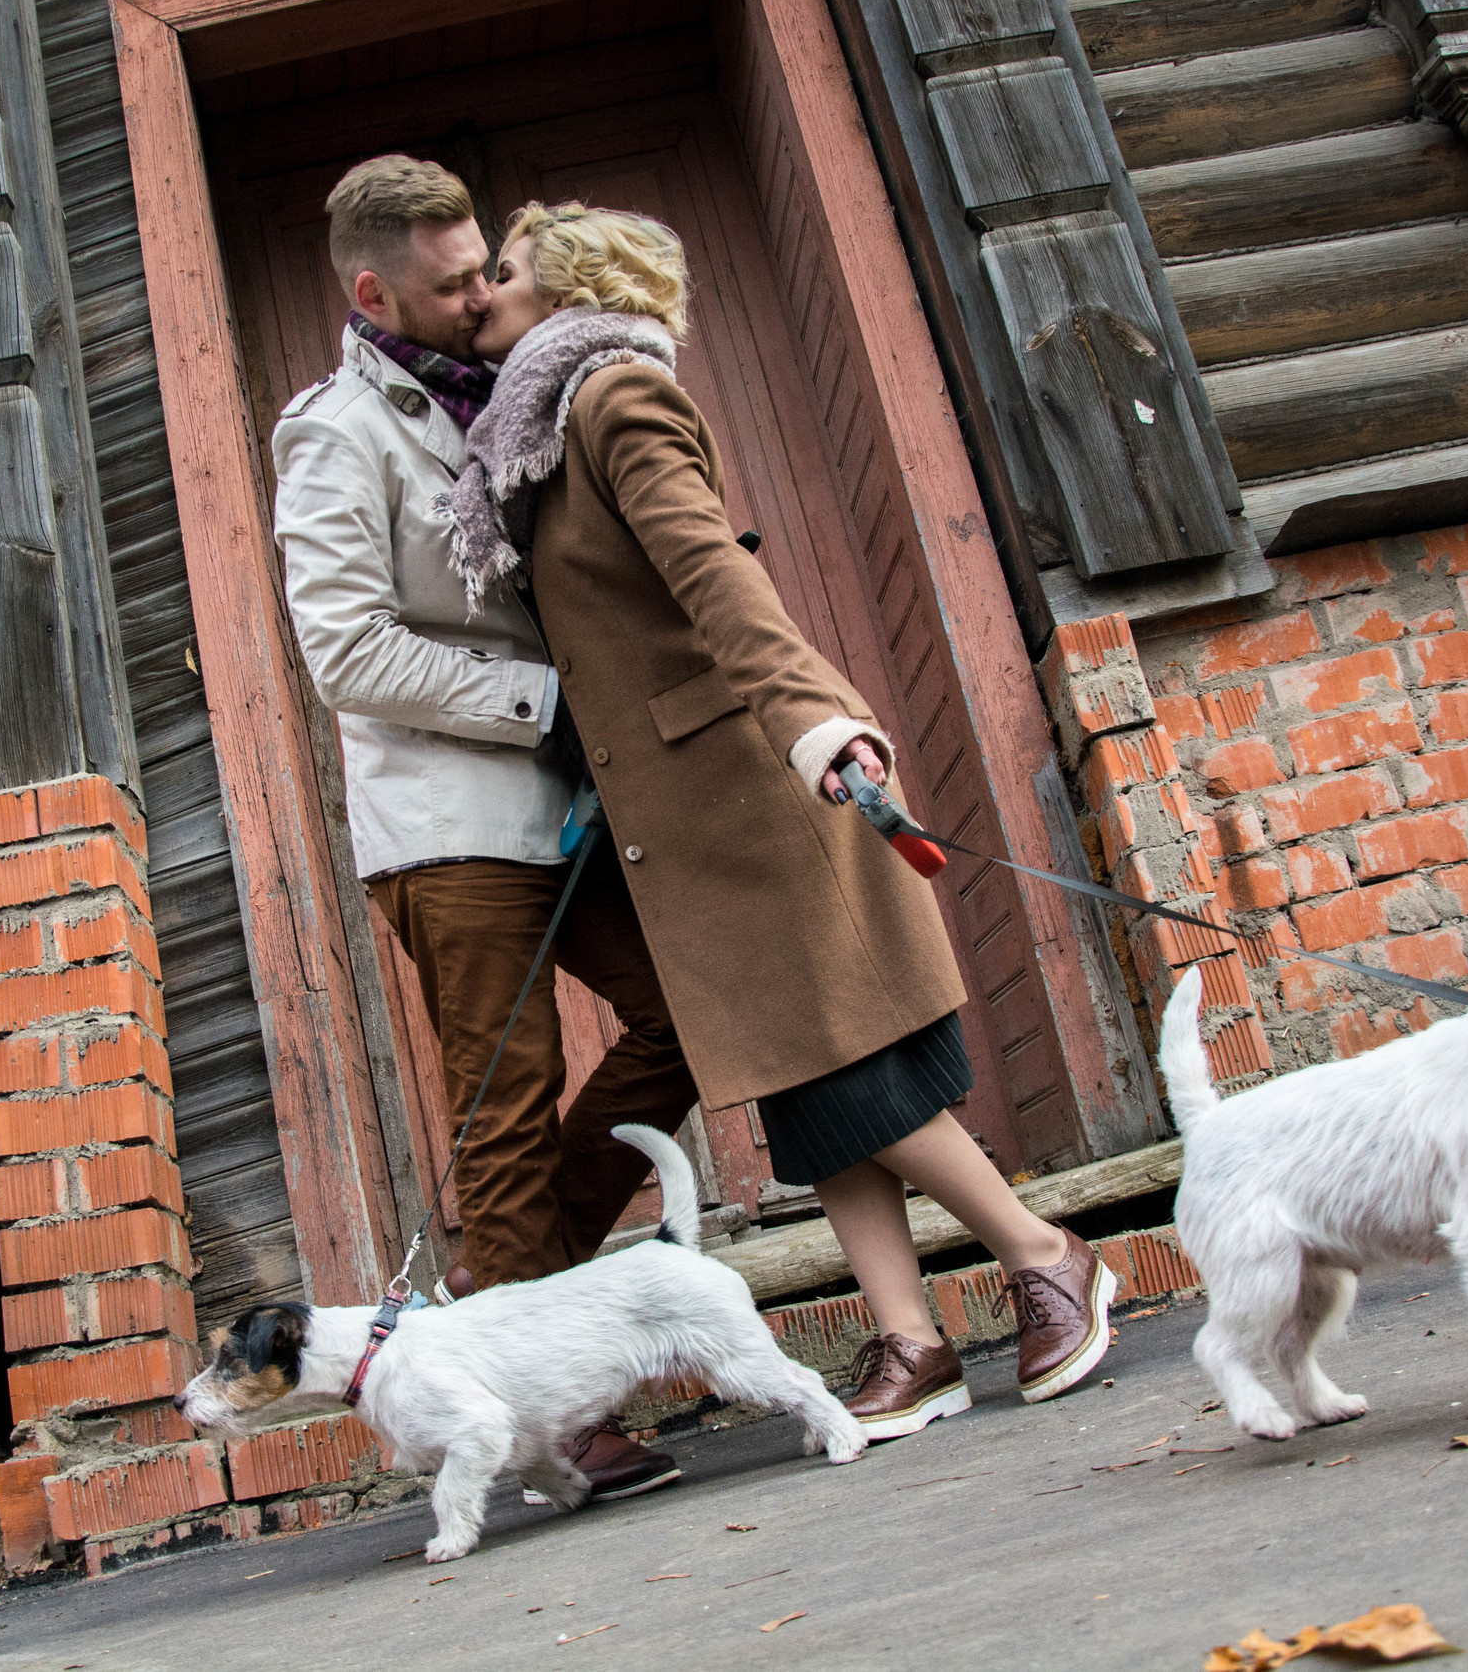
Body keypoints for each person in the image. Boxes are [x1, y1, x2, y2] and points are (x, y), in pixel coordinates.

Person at [445, 202, 1115, 1439]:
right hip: (688, 819)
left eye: (506, 270)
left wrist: (815, 718)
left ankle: (1045, 1250)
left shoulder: (609, 399)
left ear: (575, 285)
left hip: (753, 788)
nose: (482, 292)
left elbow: (711, 568)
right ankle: (913, 1339)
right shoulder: (530, 436)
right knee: (808, 1086)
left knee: (849, 1064)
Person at [269, 157, 695, 1497]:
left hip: (572, 796)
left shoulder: (515, 391)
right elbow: (345, 651)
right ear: (371, 288)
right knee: (504, 1107)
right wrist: (540, 697)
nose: (473, 299)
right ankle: (554, 1416)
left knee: (692, 1005)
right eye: (448, 283)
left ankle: (507, 1278)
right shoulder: (336, 431)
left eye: (479, 273)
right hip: (451, 821)